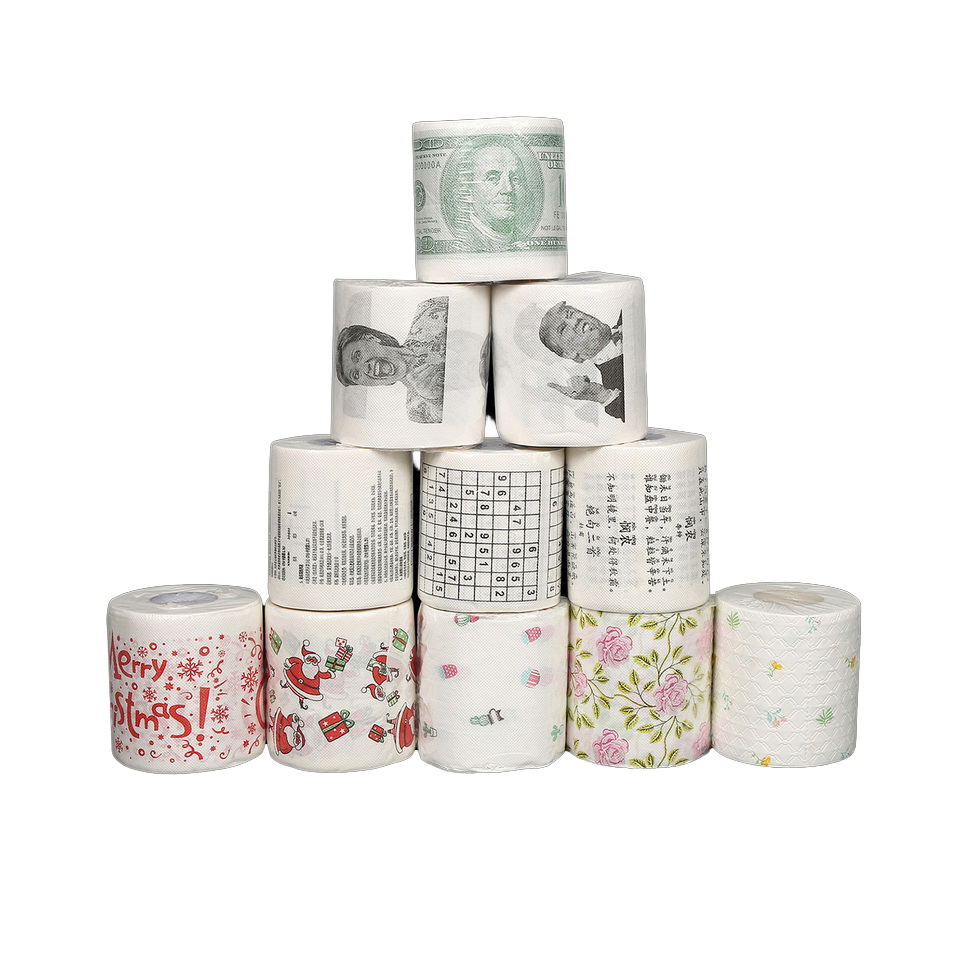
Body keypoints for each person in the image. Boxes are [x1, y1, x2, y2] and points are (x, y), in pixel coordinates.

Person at [336, 297, 449, 423]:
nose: (365, 368)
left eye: (357, 355)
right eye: (356, 374)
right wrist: (433, 398)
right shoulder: (417, 411)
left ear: (371, 338)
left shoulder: (427, 311)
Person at [538, 301, 625, 420]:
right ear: (569, 353)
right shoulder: (616, 388)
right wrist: (600, 394)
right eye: (563, 329)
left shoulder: (627, 313)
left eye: (570, 313)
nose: (576, 321)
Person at [447, 140, 532, 251]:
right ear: (468, 191)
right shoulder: (462, 240)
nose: (508, 189)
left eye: (515, 179)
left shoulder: (523, 239)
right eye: (492, 179)